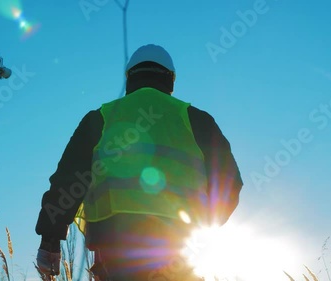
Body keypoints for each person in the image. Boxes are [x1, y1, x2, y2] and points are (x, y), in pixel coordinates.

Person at [35, 44, 243, 281]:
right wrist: (206, 225)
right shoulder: (197, 120)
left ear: (130, 78)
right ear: (171, 80)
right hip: (180, 251)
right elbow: (229, 183)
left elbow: (69, 180)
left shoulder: (101, 118)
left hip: (114, 251)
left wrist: (50, 239)